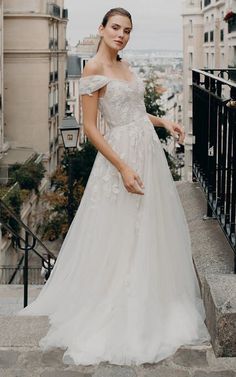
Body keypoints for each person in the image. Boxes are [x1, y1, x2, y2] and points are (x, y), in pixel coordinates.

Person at [17, 7, 210, 366]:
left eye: (128, 30)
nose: (122, 35)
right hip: (121, 155)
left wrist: (163, 121)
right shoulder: (93, 69)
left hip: (147, 151)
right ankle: (119, 304)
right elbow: (90, 128)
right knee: (119, 230)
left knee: (148, 226)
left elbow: (135, 109)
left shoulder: (123, 65)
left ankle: (149, 296)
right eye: (116, 28)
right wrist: (122, 167)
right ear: (102, 29)